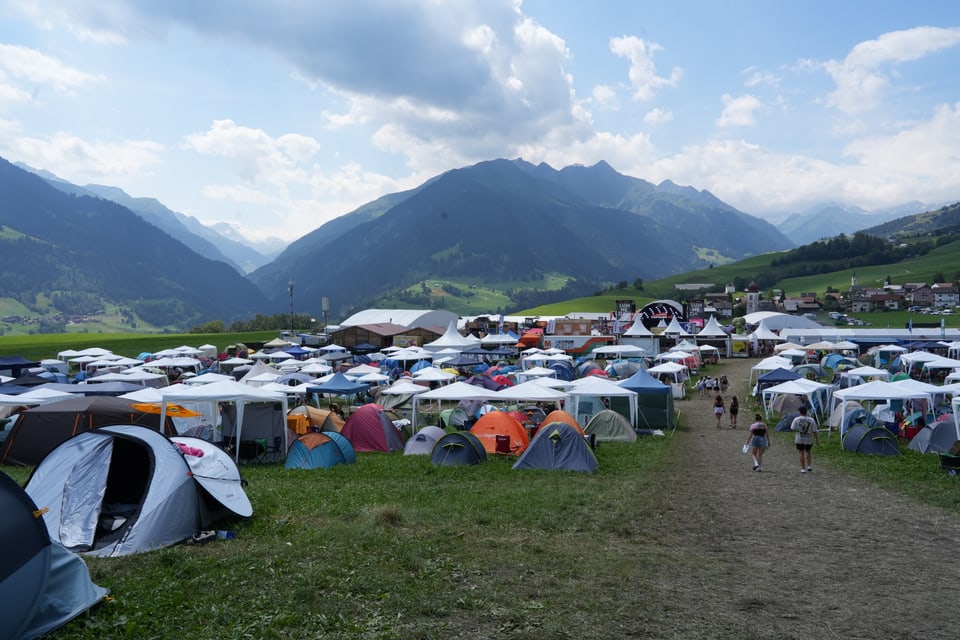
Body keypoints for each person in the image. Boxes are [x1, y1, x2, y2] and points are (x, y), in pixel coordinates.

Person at [790, 405, 820, 474]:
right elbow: (814, 430)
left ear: (799, 412)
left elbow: (792, 428)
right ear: (806, 412)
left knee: (801, 453)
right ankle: (809, 465)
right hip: (808, 439)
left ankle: (803, 468)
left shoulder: (796, 419)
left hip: (799, 438)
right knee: (808, 452)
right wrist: (817, 439)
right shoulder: (811, 420)